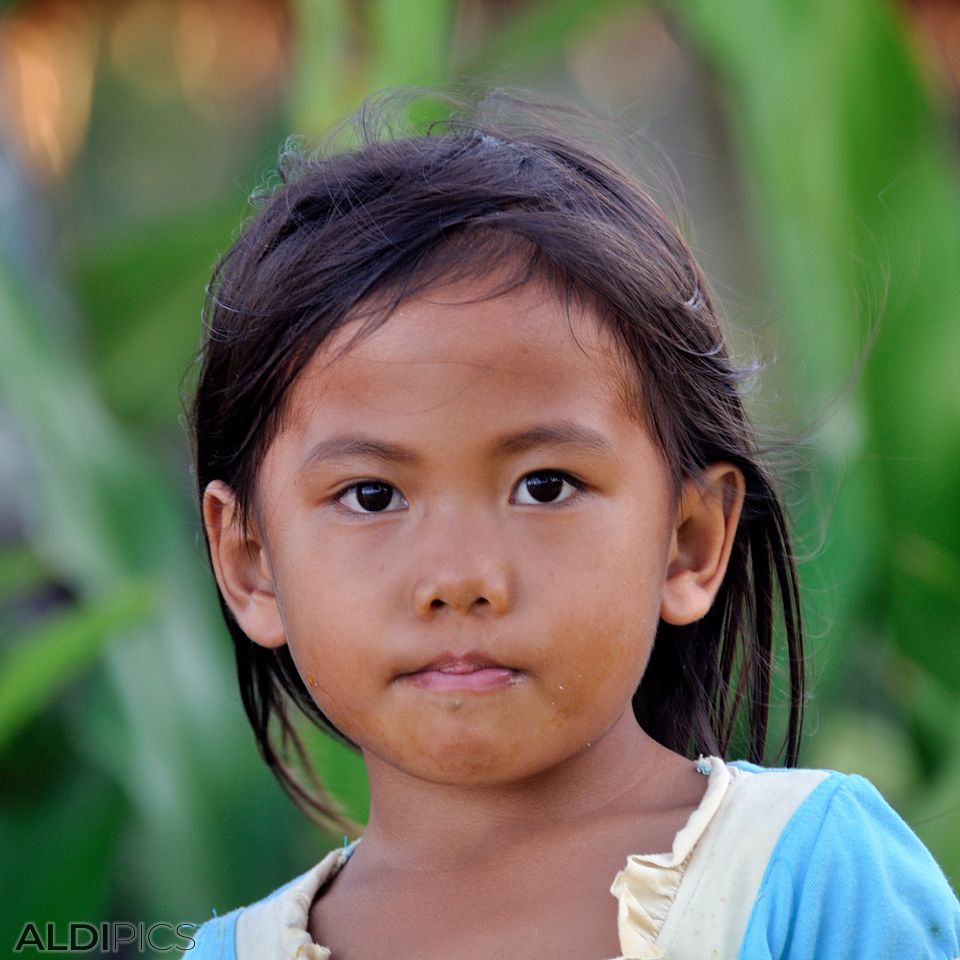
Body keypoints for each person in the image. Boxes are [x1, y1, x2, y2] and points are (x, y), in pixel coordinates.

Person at [187, 92, 960, 959]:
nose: (460, 577)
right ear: (252, 563)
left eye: (545, 485)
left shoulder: (805, 875)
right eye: (372, 496)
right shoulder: (235, 951)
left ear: (689, 542)